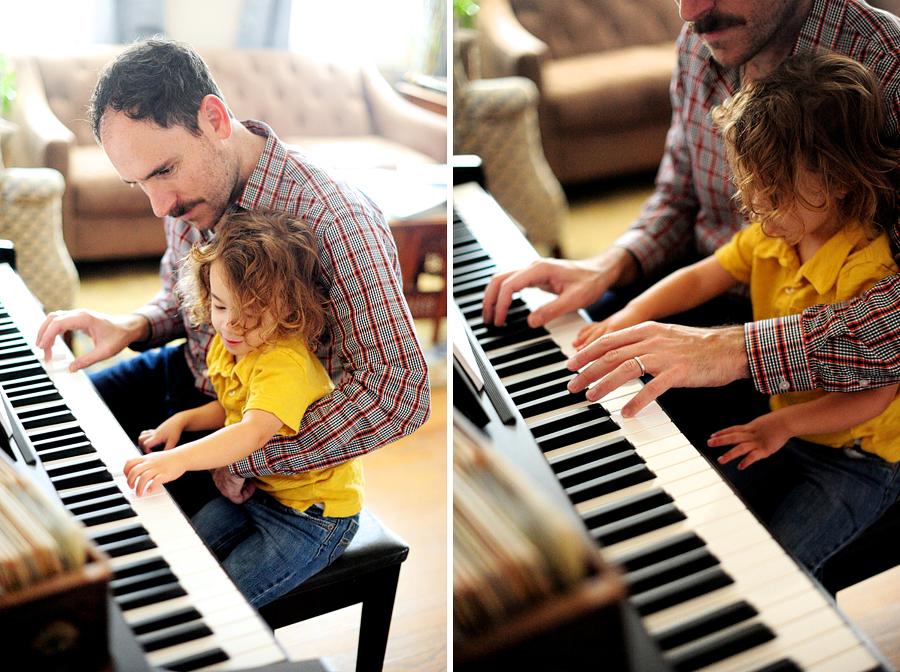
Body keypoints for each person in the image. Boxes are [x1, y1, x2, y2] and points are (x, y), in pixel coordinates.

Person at [33, 39, 430, 515]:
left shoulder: (334, 218)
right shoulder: (187, 194)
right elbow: (185, 301)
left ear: (215, 120)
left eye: (163, 171)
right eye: (139, 184)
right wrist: (132, 326)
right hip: (197, 376)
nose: (160, 206)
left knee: (103, 517)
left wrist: (251, 459)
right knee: (49, 434)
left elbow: (399, 392)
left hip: (255, 428)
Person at [481, 0, 900, 424]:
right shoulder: (703, 42)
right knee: (541, 353)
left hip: (818, 361)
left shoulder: (890, 66)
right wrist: (609, 264)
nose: (689, 12)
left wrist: (736, 350)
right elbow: (679, 195)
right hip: (709, 285)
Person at [576, 51, 900, 577]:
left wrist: (782, 425)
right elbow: (702, 275)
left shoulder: (867, 271)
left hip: (857, 461)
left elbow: (875, 392)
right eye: (752, 197)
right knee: (705, 529)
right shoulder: (778, 233)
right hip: (781, 428)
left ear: (839, 179)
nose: (759, 215)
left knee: (778, 572)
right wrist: (629, 315)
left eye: (774, 195)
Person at [124, 211, 362, 607]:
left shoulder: (283, 364)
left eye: (250, 315)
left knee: (220, 601)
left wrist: (180, 460)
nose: (231, 326)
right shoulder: (231, 344)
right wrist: (183, 420)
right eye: (219, 307)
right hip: (260, 493)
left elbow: (251, 431)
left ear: (289, 310)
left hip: (313, 519)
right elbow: (230, 407)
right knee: (182, 553)